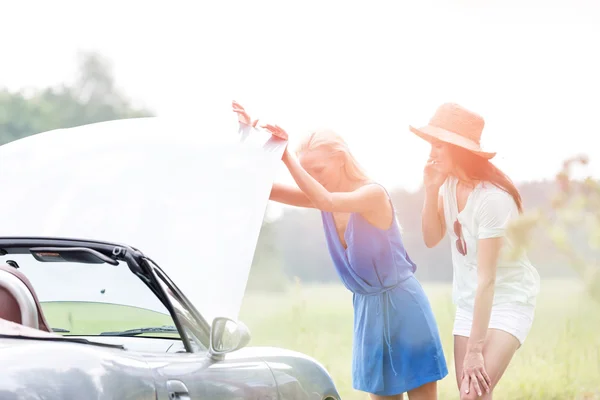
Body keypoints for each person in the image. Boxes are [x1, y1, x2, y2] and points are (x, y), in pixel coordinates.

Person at [232, 102, 448, 400]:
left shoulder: (371, 194)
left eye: (318, 170)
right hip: (368, 313)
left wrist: (287, 157)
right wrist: (249, 139)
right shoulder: (321, 197)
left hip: (405, 310)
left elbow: (327, 200)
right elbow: (265, 188)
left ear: (342, 160)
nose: (313, 179)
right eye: (307, 173)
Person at [411, 103, 541, 399]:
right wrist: (431, 191)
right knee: (474, 395)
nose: (431, 152)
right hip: (470, 303)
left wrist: (474, 350)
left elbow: (488, 280)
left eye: (438, 145)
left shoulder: (493, 199)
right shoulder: (448, 185)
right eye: (431, 143)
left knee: (472, 394)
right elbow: (431, 238)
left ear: (459, 148)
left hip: (507, 300)